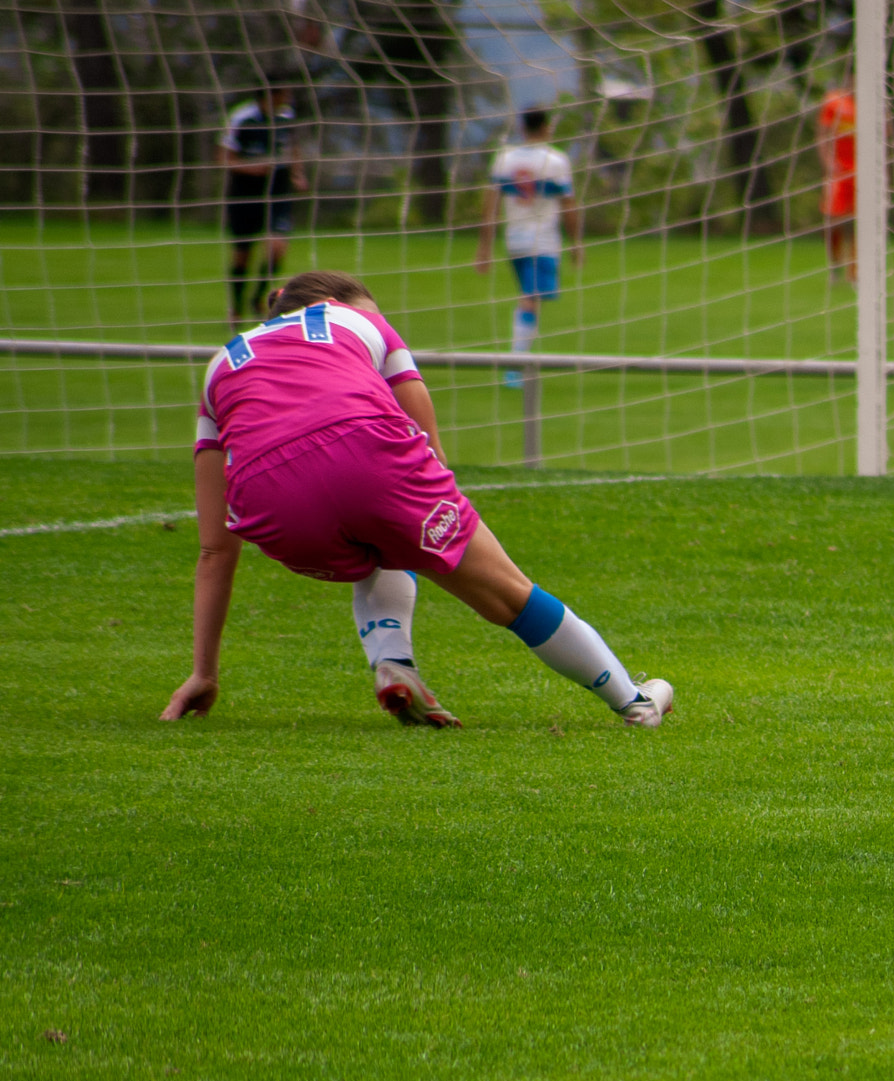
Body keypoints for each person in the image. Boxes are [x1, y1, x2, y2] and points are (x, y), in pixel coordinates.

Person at [160, 271, 672, 729]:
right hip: (370, 465)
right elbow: (431, 450)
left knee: (374, 545)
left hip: (275, 511)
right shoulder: (357, 321)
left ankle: (393, 664)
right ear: (343, 301)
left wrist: (204, 672)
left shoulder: (220, 364)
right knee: (510, 595)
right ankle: (634, 702)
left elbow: (214, 548)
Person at [477, 108, 581, 390]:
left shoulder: (505, 159)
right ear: (546, 127)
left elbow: (491, 205)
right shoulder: (556, 160)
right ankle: (516, 366)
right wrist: (576, 242)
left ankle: (520, 362)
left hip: (514, 241)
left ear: (523, 128)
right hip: (543, 240)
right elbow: (568, 204)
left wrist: (484, 247)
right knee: (530, 298)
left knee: (530, 296)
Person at [219, 82, 307, 327]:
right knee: (242, 256)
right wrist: (250, 168)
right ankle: (236, 308)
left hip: (278, 190)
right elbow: (224, 157)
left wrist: (298, 173)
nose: (287, 98)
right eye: (284, 93)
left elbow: (293, 147)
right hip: (245, 192)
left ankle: (258, 298)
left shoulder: (286, 117)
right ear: (270, 94)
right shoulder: (241, 118)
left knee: (277, 247)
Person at [817, 87, 858, 284]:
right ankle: (835, 266)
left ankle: (855, 270)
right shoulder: (834, 102)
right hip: (839, 171)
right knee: (834, 219)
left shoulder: (875, 102)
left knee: (860, 221)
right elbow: (823, 134)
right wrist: (828, 162)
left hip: (862, 171)